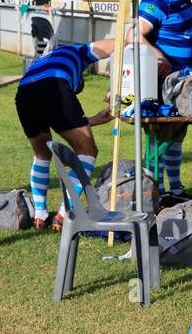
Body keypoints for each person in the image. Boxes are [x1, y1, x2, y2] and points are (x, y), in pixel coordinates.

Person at [15, 36, 128, 228]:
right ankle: (65, 214)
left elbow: (60, 121)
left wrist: (92, 119)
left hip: (24, 91)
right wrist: (128, 39)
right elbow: (117, 43)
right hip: (53, 86)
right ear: (79, 80)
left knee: (42, 154)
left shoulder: (43, 60)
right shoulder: (79, 52)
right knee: (88, 152)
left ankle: (40, 215)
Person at [137, 0, 192, 204]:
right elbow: (136, 34)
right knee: (160, 139)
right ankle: (156, 192)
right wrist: (159, 57)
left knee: (177, 134)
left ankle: (174, 190)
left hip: (181, 81)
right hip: (162, 85)